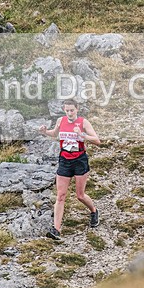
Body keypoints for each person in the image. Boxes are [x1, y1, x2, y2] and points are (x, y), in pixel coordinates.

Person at [39, 99, 100, 242]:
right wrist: (44, 132)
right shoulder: (61, 121)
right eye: (67, 110)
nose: (69, 113)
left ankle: (94, 211)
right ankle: (56, 230)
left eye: (72, 110)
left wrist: (82, 135)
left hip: (79, 161)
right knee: (60, 196)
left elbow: (97, 140)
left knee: (80, 195)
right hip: (65, 161)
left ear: (77, 109)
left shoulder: (83, 122)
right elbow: (54, 134)